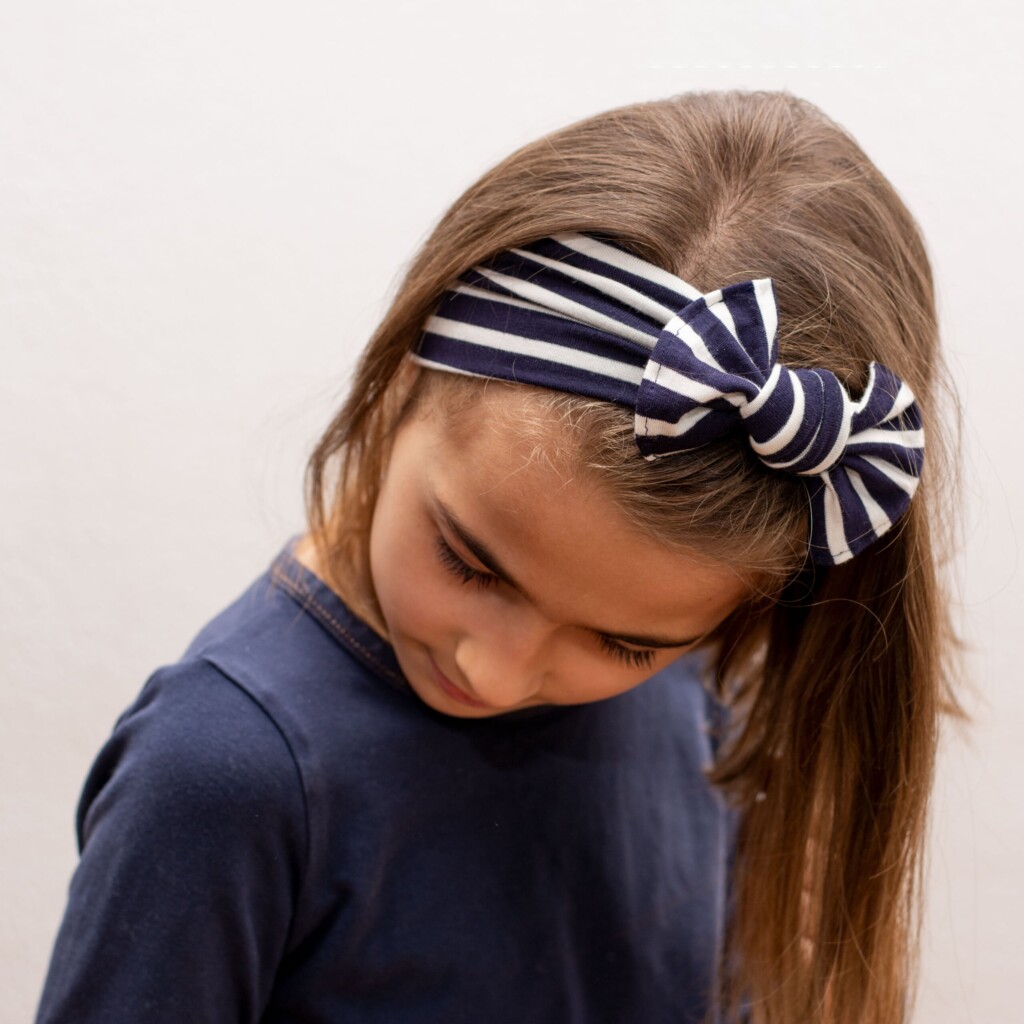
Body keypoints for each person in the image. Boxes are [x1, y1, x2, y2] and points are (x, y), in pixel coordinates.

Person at [35, 90, 959, 1024]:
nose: (497, 669)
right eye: (472, 565)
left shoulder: (701, 690)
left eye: (622, 645)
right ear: (407, 378)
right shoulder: (220, 773)